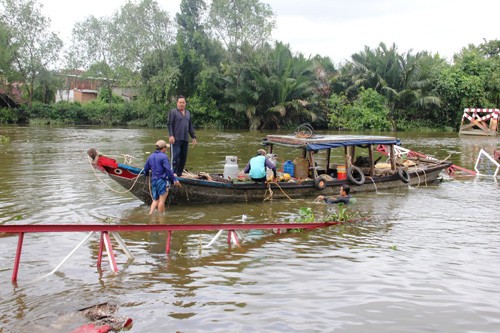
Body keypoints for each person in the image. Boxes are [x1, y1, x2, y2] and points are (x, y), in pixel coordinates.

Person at [143, 140, 180, 215]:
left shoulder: (150, 156)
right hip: (162, 180)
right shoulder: (163, 157)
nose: (166, 149)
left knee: (155, 200)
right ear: (163, 148)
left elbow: (146, 169)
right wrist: (174, 180)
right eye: (165, 147)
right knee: (162, 200)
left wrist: (147, 176)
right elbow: (168, 170)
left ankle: (150, 214)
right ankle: (161, 218)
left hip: (154, 181)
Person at [167, 95, 197, 176]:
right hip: (175, 140)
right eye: (180, 102)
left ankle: (179, 174)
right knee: (175, 158)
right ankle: (172, 174)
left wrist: (193, 136)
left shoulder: (188, 113)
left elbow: (190, 126)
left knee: (183, 159)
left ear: (185, 103)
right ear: (177, 103)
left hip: (185, 139)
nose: (181, 104)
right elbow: (169, 124)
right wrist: (171, 135)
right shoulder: (173, 112)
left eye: (183, 102)